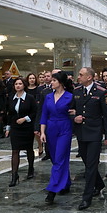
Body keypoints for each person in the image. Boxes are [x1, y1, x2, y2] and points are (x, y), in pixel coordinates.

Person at [72, 67, 107, 210]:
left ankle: (86, 197)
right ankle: (99, 183)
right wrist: (74, 117)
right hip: (81, 132)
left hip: (95, 132)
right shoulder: (77, 91)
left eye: (81, 74)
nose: (79, 77)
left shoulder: (102, 92)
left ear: (89, 77)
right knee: (85, 159)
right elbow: (71, 110)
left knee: (91, 165)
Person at [40, 71, 74, 204]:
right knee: (55, 159)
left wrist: (75, 112)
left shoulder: (70, 96)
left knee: (60, 158)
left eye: (54, 80)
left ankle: (52, 190)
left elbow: (77, 111)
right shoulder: (48, 97)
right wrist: (42, 132)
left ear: (60, 82)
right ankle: (66, 183)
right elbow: (44, 115)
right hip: (50, 129)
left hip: (64, 128)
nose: (51, 82)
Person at [5, 78, 37, 187]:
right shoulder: (11, 98)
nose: (18, 86)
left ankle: (31, 168)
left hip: (27, 127)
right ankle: (14, 175)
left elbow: (34, 112)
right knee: (15, 151)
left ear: (24, 85)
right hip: (15, 128)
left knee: (29, 149)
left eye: (20, 84)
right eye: (16, 84)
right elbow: (9, 114)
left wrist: (25, 118)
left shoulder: (30, 98)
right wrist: (8, 128)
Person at [26, 73, 42, 155]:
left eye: (33, 78)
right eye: (30, 78)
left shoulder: (38, 89)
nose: (32, 80)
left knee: (36, 131)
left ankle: (40, 146)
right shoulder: (26, 89)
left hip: (36, 112)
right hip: (27, 112)